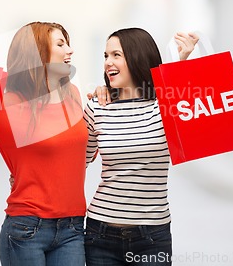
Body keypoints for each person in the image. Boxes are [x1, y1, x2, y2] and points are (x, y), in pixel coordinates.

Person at [0, 22, 87, 266]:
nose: (70, 50)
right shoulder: (7, 102)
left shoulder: (73, 93)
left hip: (72, 228)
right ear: (37, 52)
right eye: (61, 44)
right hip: (26, 229)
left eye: (68, 42)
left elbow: (82, 154)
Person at [83, 28, 198, 266]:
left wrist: (181, 61)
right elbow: (77, 161)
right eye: (105, 56)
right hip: (100, 233)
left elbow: (201, 122)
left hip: (152, 236)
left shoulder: (166, 106)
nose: (108, 62)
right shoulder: (98, 106)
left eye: (116, 55)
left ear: (137, 57)